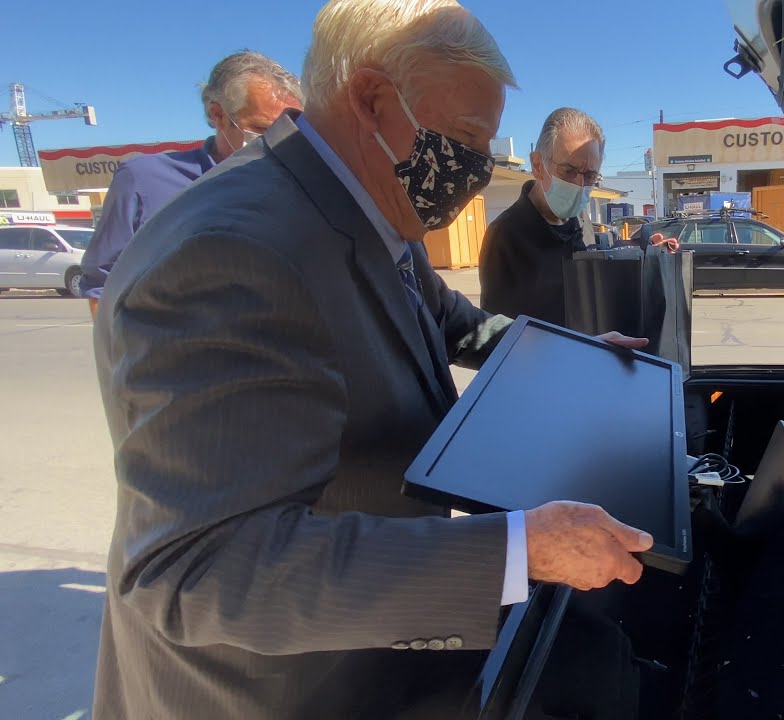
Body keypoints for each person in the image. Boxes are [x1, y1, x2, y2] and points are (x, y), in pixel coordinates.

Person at [91, 2, 653, 718]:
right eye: (466, 137)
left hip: (374, 646)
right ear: (372, 99)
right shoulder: (230, 251)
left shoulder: (369, 208)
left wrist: (572, 356)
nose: (479, 167)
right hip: (285, 690)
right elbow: (201, 569)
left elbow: (452, 322)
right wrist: (520, 550)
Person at [80, 51, 302, 315]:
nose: (276, 139)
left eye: (287, 130)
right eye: (263, 129)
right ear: (218, 114)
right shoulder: (143, 180)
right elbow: (102, 283)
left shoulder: (293, 185)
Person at [479, 107, 603, 325]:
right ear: (537, 165)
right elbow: (497, 332)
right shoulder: (505, 236)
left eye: (590, 175)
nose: (579, 184)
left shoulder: (583, 225)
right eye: (568, 171)